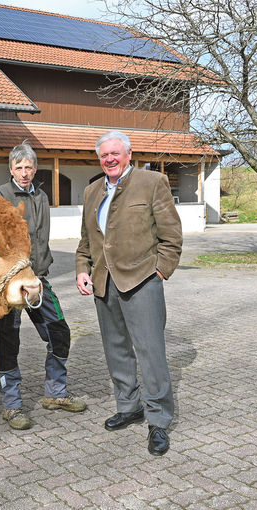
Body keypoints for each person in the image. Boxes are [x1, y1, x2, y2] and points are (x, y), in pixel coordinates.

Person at [75, 131, 182, 456]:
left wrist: (159, 271)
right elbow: (85, 241)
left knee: (150, 353)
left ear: (128, 154)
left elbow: (171, 236)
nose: (109, 159)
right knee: (116, 351)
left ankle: (158, 420)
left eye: (114, 153)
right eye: (104, 155)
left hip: (142, 282)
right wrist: (82, 269)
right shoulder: (92, 191)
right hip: (104, 284)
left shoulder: (152, 182)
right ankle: (129, 406)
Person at [0, 142, 86, 430]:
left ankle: (55, 394)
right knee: (9, 342)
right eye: (19, 167)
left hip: (39, 279)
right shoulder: (0, 196)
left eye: (29, 167)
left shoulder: (42, 196)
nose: (24, 172)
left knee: (60, 332)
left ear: (35, 168)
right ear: (11, 169)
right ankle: (12, 406)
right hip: (10, 284)